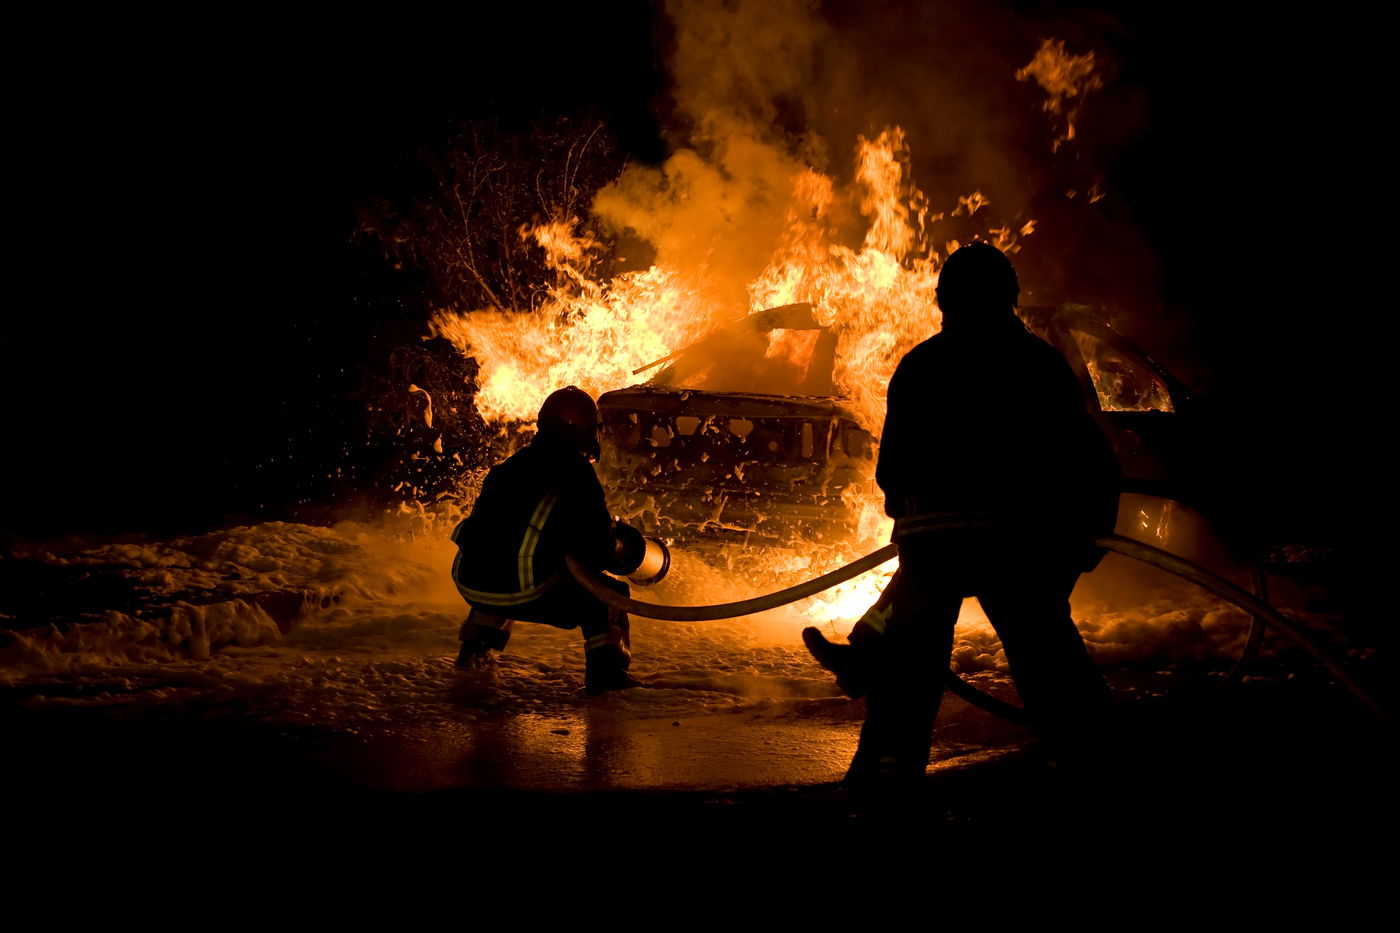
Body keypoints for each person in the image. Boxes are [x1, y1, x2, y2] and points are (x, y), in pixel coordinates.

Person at [803, 242, 1120, 788]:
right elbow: (1091, 461)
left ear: (942, 301)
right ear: (1011, 299)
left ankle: (882, 786)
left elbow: (891, 468)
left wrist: (911, 514)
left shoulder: (919, 366)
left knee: (909, 667)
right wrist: (1087, 544)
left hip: (936, 546)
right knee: (1051, 666)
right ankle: (1093, 778)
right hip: (1018, 544)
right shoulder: (1039, 366)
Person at [450, 386, 641, 693]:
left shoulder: (511, 466)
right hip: (522, 591)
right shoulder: (577, 474)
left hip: (471, 583)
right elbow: (596, 551)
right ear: (588, 431)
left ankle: (473, 656)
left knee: (500, 563)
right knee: (608, 595)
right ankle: (609, 680)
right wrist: (622, 548)